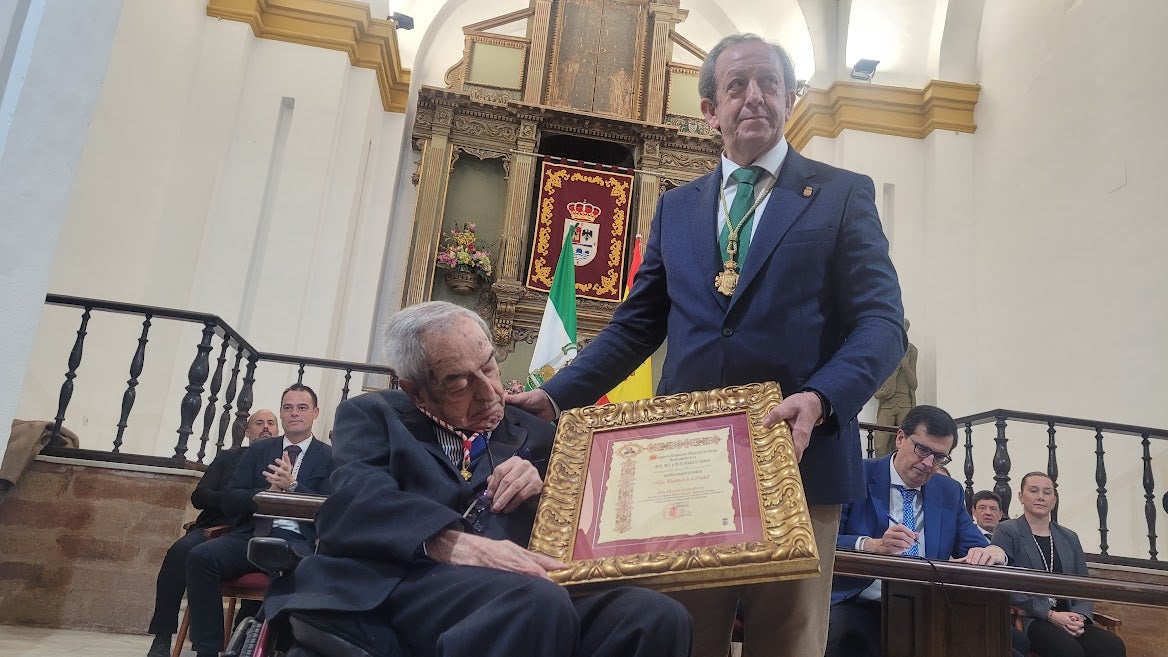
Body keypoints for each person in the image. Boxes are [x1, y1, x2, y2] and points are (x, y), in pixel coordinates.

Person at [509, 32, 905, 657]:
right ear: (710, 109)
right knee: (681, 637)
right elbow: (636, 325)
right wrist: (556, 396)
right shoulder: (677, 208)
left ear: (790, 98)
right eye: (737, 85)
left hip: (797, 457)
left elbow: (883, 322)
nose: (755, 96)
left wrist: (821, 397)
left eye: (770, 83)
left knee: (788, 643)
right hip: (683, 466)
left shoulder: (840, 193)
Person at [263, 302, 692, 657]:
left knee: (656, 616)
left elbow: (589, 512)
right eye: (458, 383)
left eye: (489, 367)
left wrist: (547, 486)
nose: (489, 393)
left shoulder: (536, 432)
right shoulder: (374, 416)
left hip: (523, 589)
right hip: (406, 581)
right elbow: (359, 500)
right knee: (535, 602)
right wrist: (454, 543)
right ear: (416, 390)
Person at [828, 405, 1007, 657]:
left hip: (929, 606)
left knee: (995, 645)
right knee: (840, 636)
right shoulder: (857, 475)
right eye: (922, 450)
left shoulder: (949, 491)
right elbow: (825, 542)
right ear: (900, 438)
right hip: (861, 601)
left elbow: (975, 545)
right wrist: (872, 546)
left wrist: (995, 552)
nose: (928, 463)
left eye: (939, 457)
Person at [183, 385, 334, 657]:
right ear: (281, 413)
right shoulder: (258, 451)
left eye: (302, 408)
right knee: (201, 557)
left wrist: (293, 487)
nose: (294, 413)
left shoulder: (330, 457)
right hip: (251, 535)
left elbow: (332, 507)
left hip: (299, 542)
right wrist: (266, 493)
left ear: (315, 413)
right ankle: (208, 649)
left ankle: (280, 649)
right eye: (288, 408)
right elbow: (230, 500)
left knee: (301, 575)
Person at [143, 409, 278, 657]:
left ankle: (241, 639)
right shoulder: (228, 457)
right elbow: (200, 496)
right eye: (259, 423)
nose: (266, 427)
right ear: (248, 431)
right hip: (215, 525)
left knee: (263, 556)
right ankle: (162, 635)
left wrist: (239, 499)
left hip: (252, 529)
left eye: (271, 423)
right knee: (179, 552)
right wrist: (235, 499)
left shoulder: (281, 462)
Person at [992, 472, 1127, 657]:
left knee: (1112, 646)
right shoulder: (1008, 530)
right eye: (1033, 490)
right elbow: (1005, 584)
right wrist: (1050, 615)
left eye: (1047, 492)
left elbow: (1084, 585)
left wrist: (1080, 616)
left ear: (1054, 500)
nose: (1041, 497)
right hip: (1032, 617)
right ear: (1021, 497)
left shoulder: (1069, 537)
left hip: (1070, 615)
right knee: (1068, 650)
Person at [873, 319, 918, 456]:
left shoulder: (911, 350)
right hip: (888, 403)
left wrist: (905, 366)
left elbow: (914, 384)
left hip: (905, 403)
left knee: (905, 443)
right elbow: (879, 382)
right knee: (880, 445)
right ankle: (881, 467)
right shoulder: (885, 349)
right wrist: (896, 370)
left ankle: (900, 468)